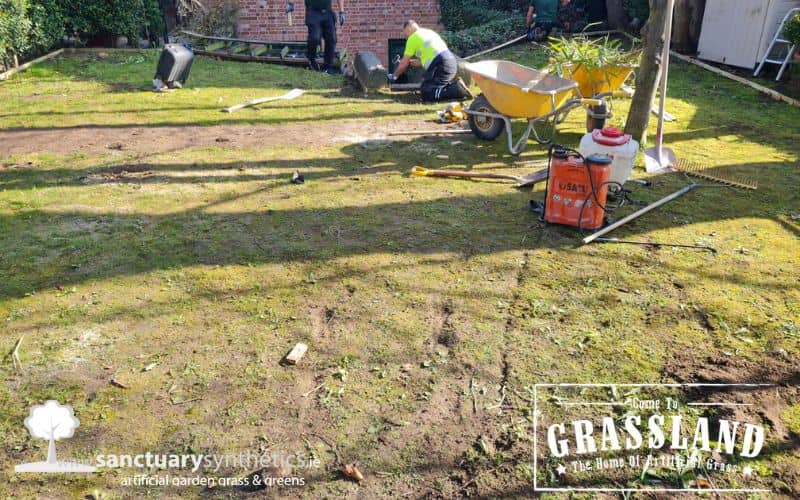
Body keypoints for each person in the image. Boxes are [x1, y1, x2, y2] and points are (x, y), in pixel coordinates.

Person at [389, 20, 472, 102]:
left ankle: (456, 89)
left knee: (427, 93)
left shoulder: (413, 38)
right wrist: (412, 63)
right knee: (430, 86)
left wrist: (394, 76)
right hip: (450, 62)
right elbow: (430, 57)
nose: (406, 36)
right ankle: (455, 89)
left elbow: (403, 63)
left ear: (409, 29)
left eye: (405, 33)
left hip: (440, 64)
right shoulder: (429, 32)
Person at [305, 0, 345, 73]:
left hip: (328, 12)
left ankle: (328, 67)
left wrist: (341, 12)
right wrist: (290, 3)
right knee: (315, 37)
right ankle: (311, 60)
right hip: (313, 12)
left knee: (332, 39)